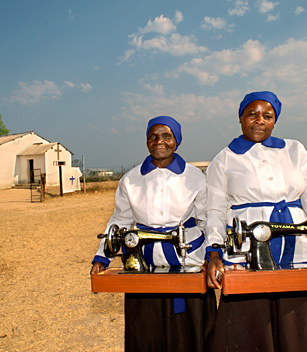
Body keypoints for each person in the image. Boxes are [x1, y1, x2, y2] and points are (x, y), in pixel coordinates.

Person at [205, 91, 307, 352]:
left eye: (267, 115)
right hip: (245, 250)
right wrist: (214, 251)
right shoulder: (224, 158)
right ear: (241, 118)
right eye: (252, 114)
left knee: (298, 319)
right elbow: (215, 209)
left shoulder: (296, 151)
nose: (259, 120)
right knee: (249, 322)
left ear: (275, 120)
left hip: (298, 247)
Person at [91, 116, 216, 352]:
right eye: (153, 136)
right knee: (147, 330)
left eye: (166, 136)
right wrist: (102, 257)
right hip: (145, 263)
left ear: (177, 141)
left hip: (187, 261)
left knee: (188, 332)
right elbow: (120, 220)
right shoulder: (131, 179)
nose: (160, 141)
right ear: (147, 141)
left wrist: (213, 253)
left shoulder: (195, 178)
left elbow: (207, 220)